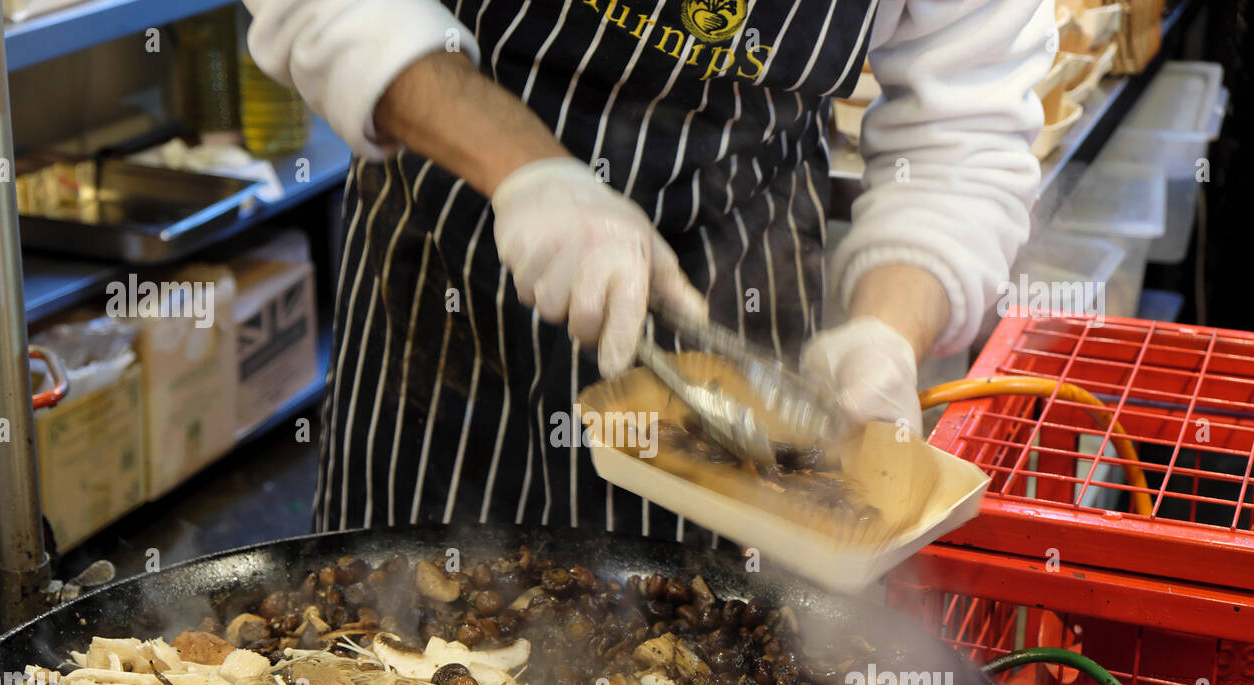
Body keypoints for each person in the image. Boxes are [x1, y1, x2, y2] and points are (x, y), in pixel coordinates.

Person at [244, 0, 1054, 539]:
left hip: (741, 270)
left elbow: (965, 130)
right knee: (386, 663)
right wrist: (526, 170)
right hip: (453, 262)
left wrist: (887, 331)